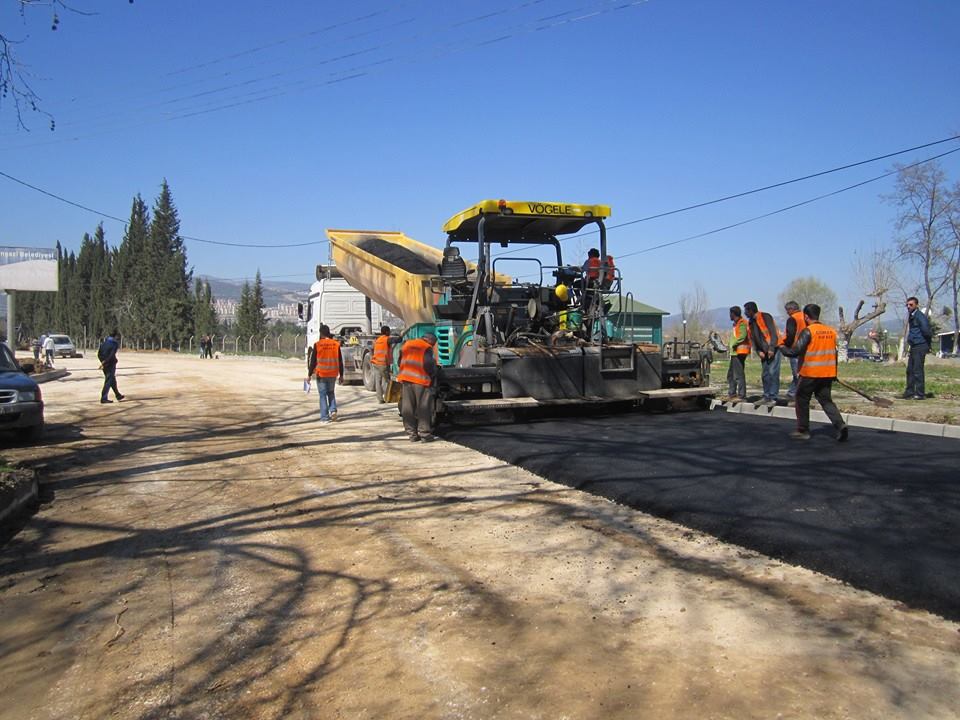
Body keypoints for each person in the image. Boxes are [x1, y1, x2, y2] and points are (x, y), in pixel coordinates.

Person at [778, 304, 848, 441]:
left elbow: (795, 351)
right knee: (826, 400)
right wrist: (834, 373)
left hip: (810, 373)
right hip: (827, 373)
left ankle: (803, 430)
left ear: (806, 316)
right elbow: (834, 353)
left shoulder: (808, 331)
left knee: (801, 399)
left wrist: (781, 347)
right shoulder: (830, 331)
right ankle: (840, 425)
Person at [397, 332, 438, 442]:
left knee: (407, 408)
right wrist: (434, 372)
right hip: (420, 380)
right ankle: (425, 434)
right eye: (433, 343)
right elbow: (428, 364)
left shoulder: (407, 344)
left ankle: (412, 434)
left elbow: (399, 362)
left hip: (406, 379)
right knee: (423, 408)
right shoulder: (426, 347)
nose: (433, 346)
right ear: (430, 340)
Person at [743, 301, 781, 406]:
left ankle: (773, 397)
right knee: (765, 375)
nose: (745, 313)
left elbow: (773, 333)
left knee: (773, 373)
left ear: (751, 310)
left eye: (746, 311)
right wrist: (758, 351)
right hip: (763, 351)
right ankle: (766, 396)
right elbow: (753, 338)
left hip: (774, 349)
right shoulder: (751, 322)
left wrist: (771, 348)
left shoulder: (765, 317)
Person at [307, 324, 344, 423]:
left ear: (321, 333)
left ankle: (325, 418)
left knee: (323, 395)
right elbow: (340, 361)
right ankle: (333, 410)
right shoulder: (336, 344)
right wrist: (341, 375)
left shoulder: (317, 345)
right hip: (333, 374)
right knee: (331, 392)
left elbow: (313, 362)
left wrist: (309, 375)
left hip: (321, 374)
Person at [903, 296, 932, 400]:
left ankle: (920, 394)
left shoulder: (920, 316)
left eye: (911, 304)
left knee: (917, 370)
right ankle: (909, 393)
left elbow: (927, 331)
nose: (908, 306)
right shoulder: (912, 316)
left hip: (920, 345)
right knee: (910, 370)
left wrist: (927, 344)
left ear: (916, 305)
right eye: (907, 305)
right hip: (914, 346)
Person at [782, 300, 807, 401]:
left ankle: (797, 394)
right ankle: (792, 392)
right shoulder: (806, 317)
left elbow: (790, 334)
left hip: (796, 348)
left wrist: (786, 346)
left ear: (791, 309)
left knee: (797, 373)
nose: (787, 313)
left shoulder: (793, 319)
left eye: (787, 310)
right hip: (806, 348)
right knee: (801, 373)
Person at [726, 306, 750, 400]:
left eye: (730, 314)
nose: (729, 316)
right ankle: (732, 393)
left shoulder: (742, 323)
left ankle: (741, 395)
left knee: (738, 375)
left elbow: (742, 336)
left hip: (739, 352)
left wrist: (733, 344)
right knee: (731, 374)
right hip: (734, 352)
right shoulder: (735, 324)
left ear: (734, 314)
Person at [97, 331, 125, 404]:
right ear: (115, 336)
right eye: (117, 336)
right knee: (108, 381)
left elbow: (99, 354)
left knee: (112, 380)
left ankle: (118, 395)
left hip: (105, 364)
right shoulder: (114, 344)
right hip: (110, 364)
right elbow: (111, 355)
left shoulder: (103, 343)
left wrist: (102, 361)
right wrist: (106, 361)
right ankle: (104, 398)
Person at [371, 325, 395, 404]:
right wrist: (401, 336)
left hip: (376, 363)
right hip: (383, 364)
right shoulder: (387, 339)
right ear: (387, 332)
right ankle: (388, 397)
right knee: (386, 381)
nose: (390, 333)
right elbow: (396, 340)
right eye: (389, 331)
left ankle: (380, 399)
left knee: (378, 381)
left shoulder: (378, 340)